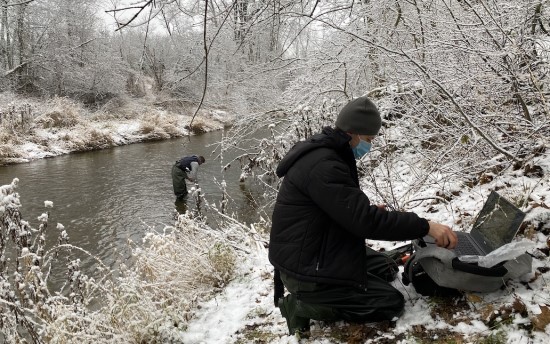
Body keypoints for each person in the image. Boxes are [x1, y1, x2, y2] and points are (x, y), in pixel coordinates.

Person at [268, 96, 458, 336]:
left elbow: (342, 211)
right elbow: (365, 223)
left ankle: (337, 289)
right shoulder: (324, 165)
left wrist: (360, 214)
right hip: (304, 269)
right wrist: (425, 226)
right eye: (368, 139)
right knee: (389, 302)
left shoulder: (331, 153)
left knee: (387, 266)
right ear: (352, 133)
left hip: (316, 250)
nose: (368, 146)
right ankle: (299, 305)